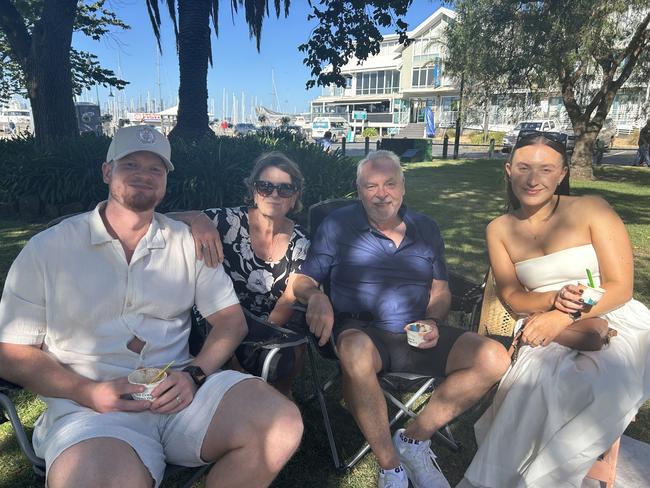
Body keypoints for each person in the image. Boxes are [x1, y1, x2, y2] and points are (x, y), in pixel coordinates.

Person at [0, 126, 303, 488]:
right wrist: (86, 391)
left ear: (164, 181)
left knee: (282, 423)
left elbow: (231, 323)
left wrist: (195, 374)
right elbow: (11, 353)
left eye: (155, 169)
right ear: (107, 171)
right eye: (131, 165)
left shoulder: (185, 243)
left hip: (179, 392)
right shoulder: (49, 249)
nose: (144, 175)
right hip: (91, 408)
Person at [293, 150, 511, 488]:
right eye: (371, 186)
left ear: (403, 187)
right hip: (362, 330)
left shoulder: (426, 227)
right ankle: (391, 466)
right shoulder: (338, 225)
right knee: (354, 351)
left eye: (390, 184)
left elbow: (440, 290)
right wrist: (317, 296)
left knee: (494, 358)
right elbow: (303, 281)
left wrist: (434, 320)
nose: (382, 194)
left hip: (416, 330)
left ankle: (413, 439)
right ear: (359, 190)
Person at [460, 131, 650, 487]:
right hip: (541, 320)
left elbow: (620, 286)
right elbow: (513, 296)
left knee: (599, 382)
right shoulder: (499, 229)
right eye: (524, 168)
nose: (534, 180)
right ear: (508, 170)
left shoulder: (592, 208)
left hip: (611, 315)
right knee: (535, 386)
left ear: (562, 173)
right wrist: (551, 302)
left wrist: (566, 313)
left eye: (546, 170)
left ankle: (543, 480)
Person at [169, 152, 310, 396]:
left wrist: (256, 344)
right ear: (254, 190)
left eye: (284, 189)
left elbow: (288, 299)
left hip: (267, 324)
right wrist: (196, 218)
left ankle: (276, 398)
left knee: (290, 351)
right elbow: (161, 221)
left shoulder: (300, 241)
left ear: (295, 195)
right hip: (217, 318)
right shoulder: (226, 221)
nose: (274, 195)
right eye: (265, 186)